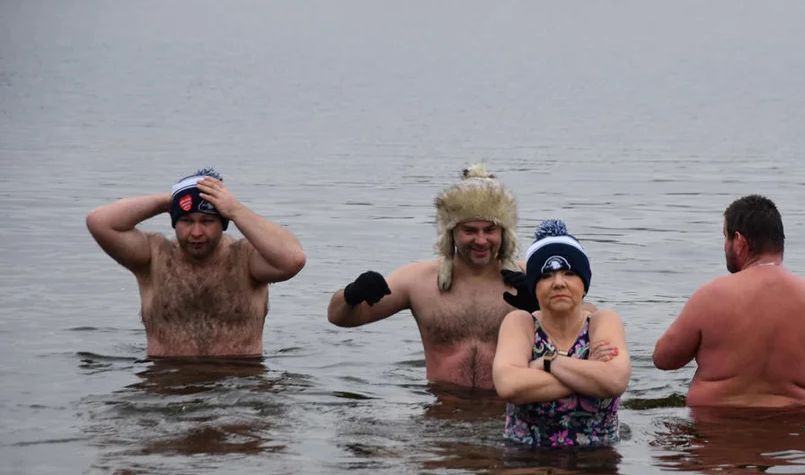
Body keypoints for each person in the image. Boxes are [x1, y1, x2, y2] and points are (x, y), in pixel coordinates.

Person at [327, 164, 532, 389]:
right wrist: (351, 294)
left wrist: (539, 307)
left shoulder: (529, 280)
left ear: (504, 233)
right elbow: (340, 318)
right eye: (470, 231)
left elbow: (577, 326)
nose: (481, 240)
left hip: (507, 412)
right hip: (440, 410)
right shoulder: (418, 281)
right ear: (451, 232)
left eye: (490, 230)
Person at [86, 168, 306, 357]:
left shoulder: (247, 259)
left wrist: (235, 210)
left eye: (207, 221)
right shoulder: (153, 257)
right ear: (174, 221)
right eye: (186, 221)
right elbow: (99, 221)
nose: (196, 232)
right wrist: (171, 200)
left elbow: (292, 259)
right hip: (166, 383)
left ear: (223, 223)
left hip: (240, 381)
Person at [652, 194, 805, 408]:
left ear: (739, 242)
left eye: (725, 238)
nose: (725, 246)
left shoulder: (713, 295)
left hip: (716, 428)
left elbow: (664, 359)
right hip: (792, 430)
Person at [493, 220, 630, 448]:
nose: (558, 283)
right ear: (534, 286)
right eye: (546, 275)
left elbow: (614, 380)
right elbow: (509, 385)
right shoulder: (520, 323)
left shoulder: (603, 321)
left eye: (569, 273)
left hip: (598, 461)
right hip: (527, 460)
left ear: (584, 284)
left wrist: (547, 363)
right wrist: (589, 374)